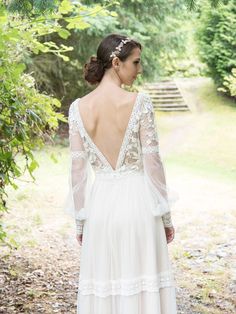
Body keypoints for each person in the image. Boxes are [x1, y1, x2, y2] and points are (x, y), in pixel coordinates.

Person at [67, 33, 177, 314]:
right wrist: (165, 215)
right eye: (136, 62)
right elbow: (153, 164)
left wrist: (81, 222)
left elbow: (77, 170)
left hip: (100, 210)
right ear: (116, 63)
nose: (139, 70)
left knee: (105, 289)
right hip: (139, 205)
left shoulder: (78, 109)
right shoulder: (139, 103)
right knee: (143, 287)